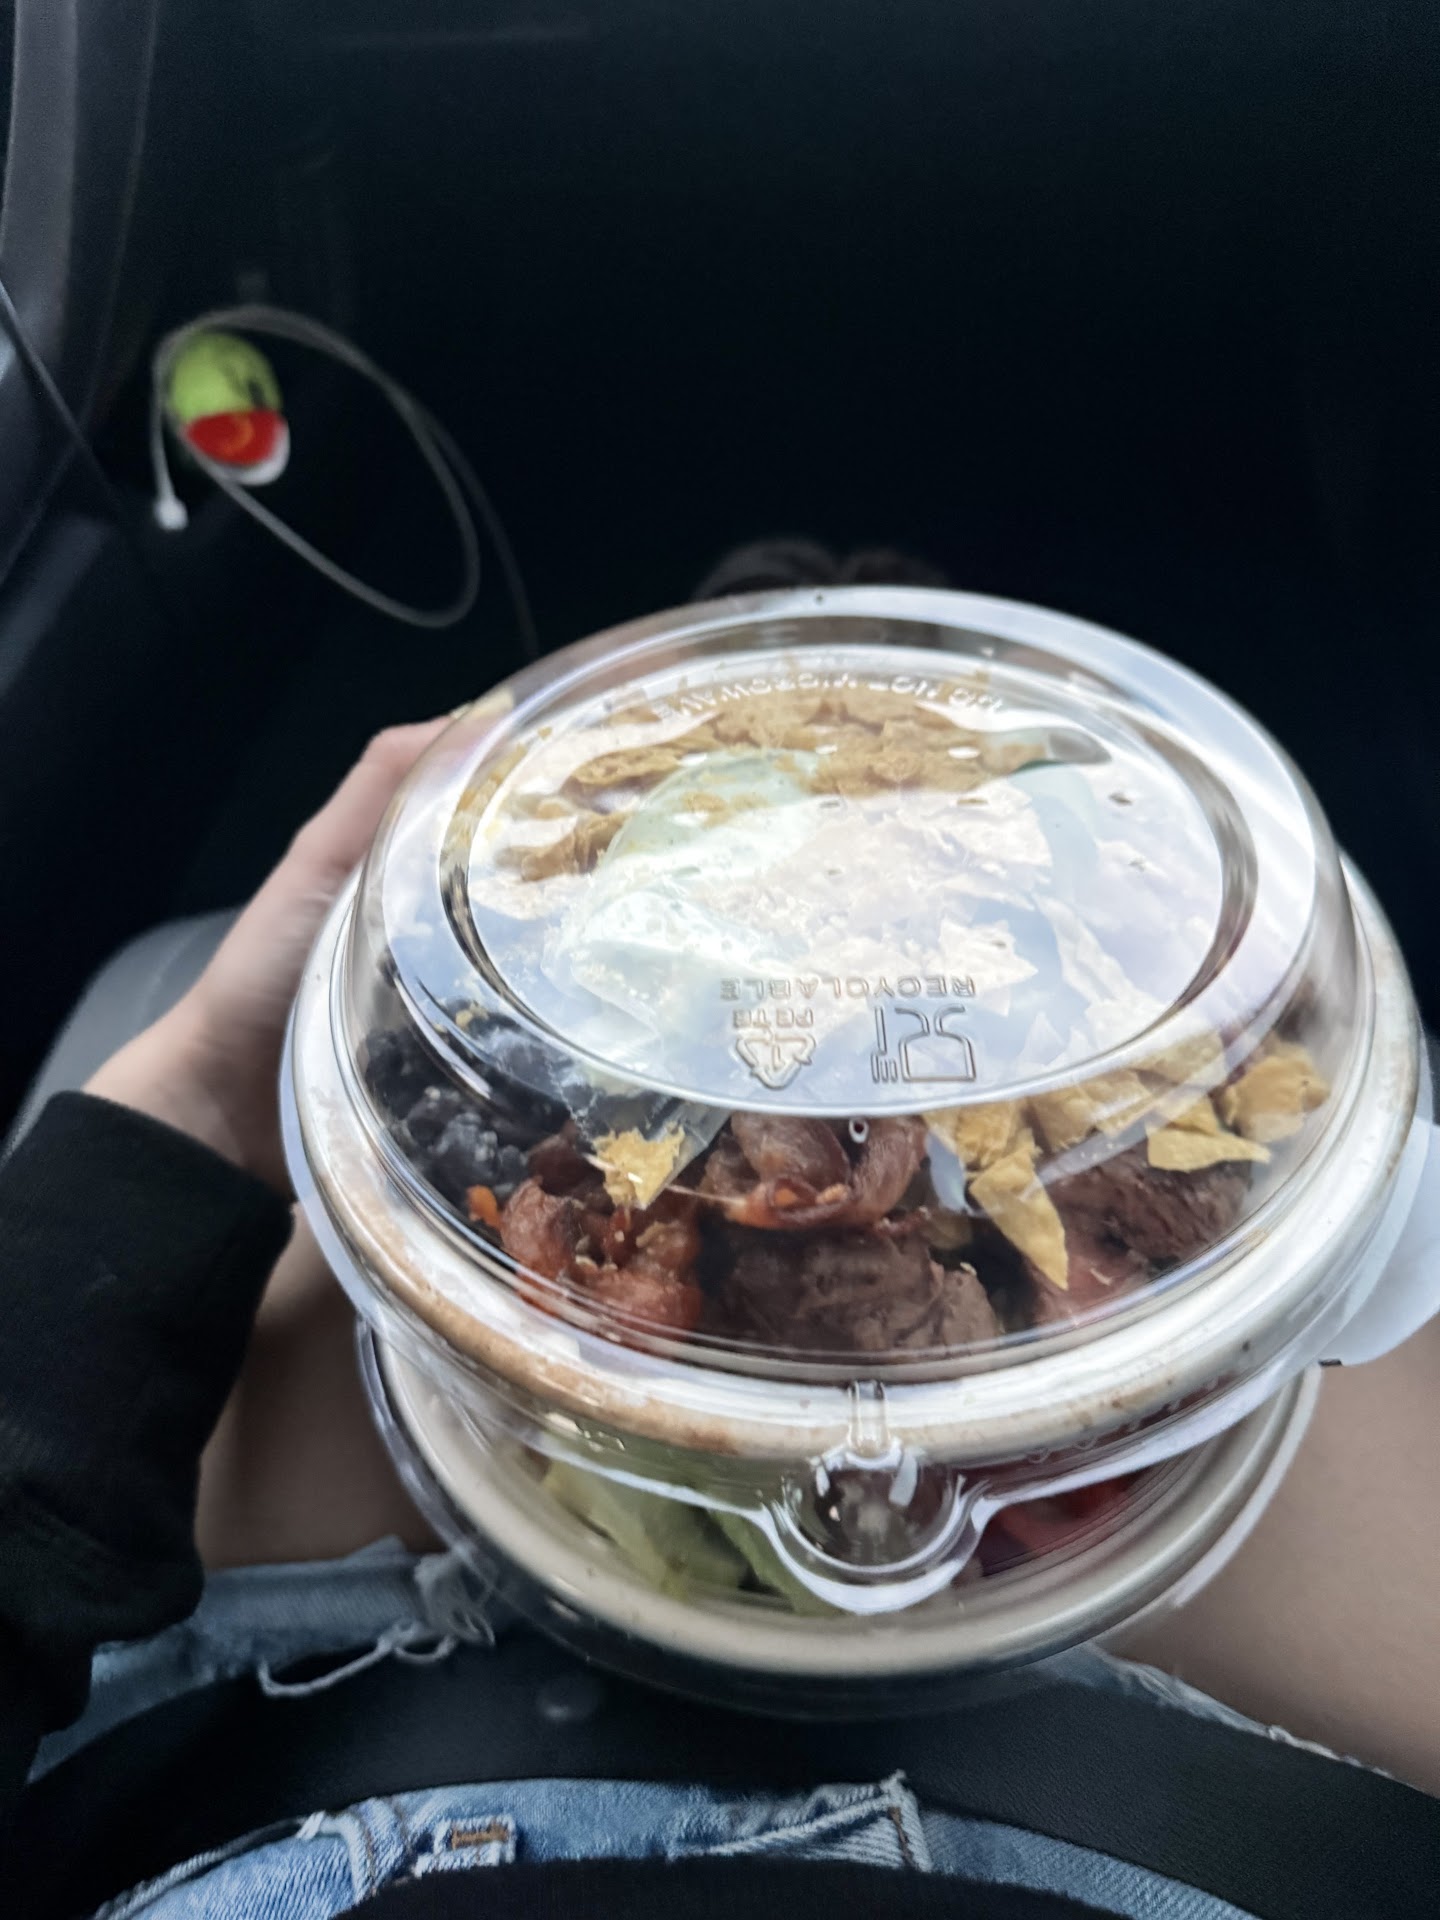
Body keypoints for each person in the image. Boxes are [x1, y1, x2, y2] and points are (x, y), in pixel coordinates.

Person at [4, 579, 1440, 1920]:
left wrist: (191, 1097)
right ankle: (838, 616)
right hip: (1179, 1831)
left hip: (295, 1783)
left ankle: (785, 608)